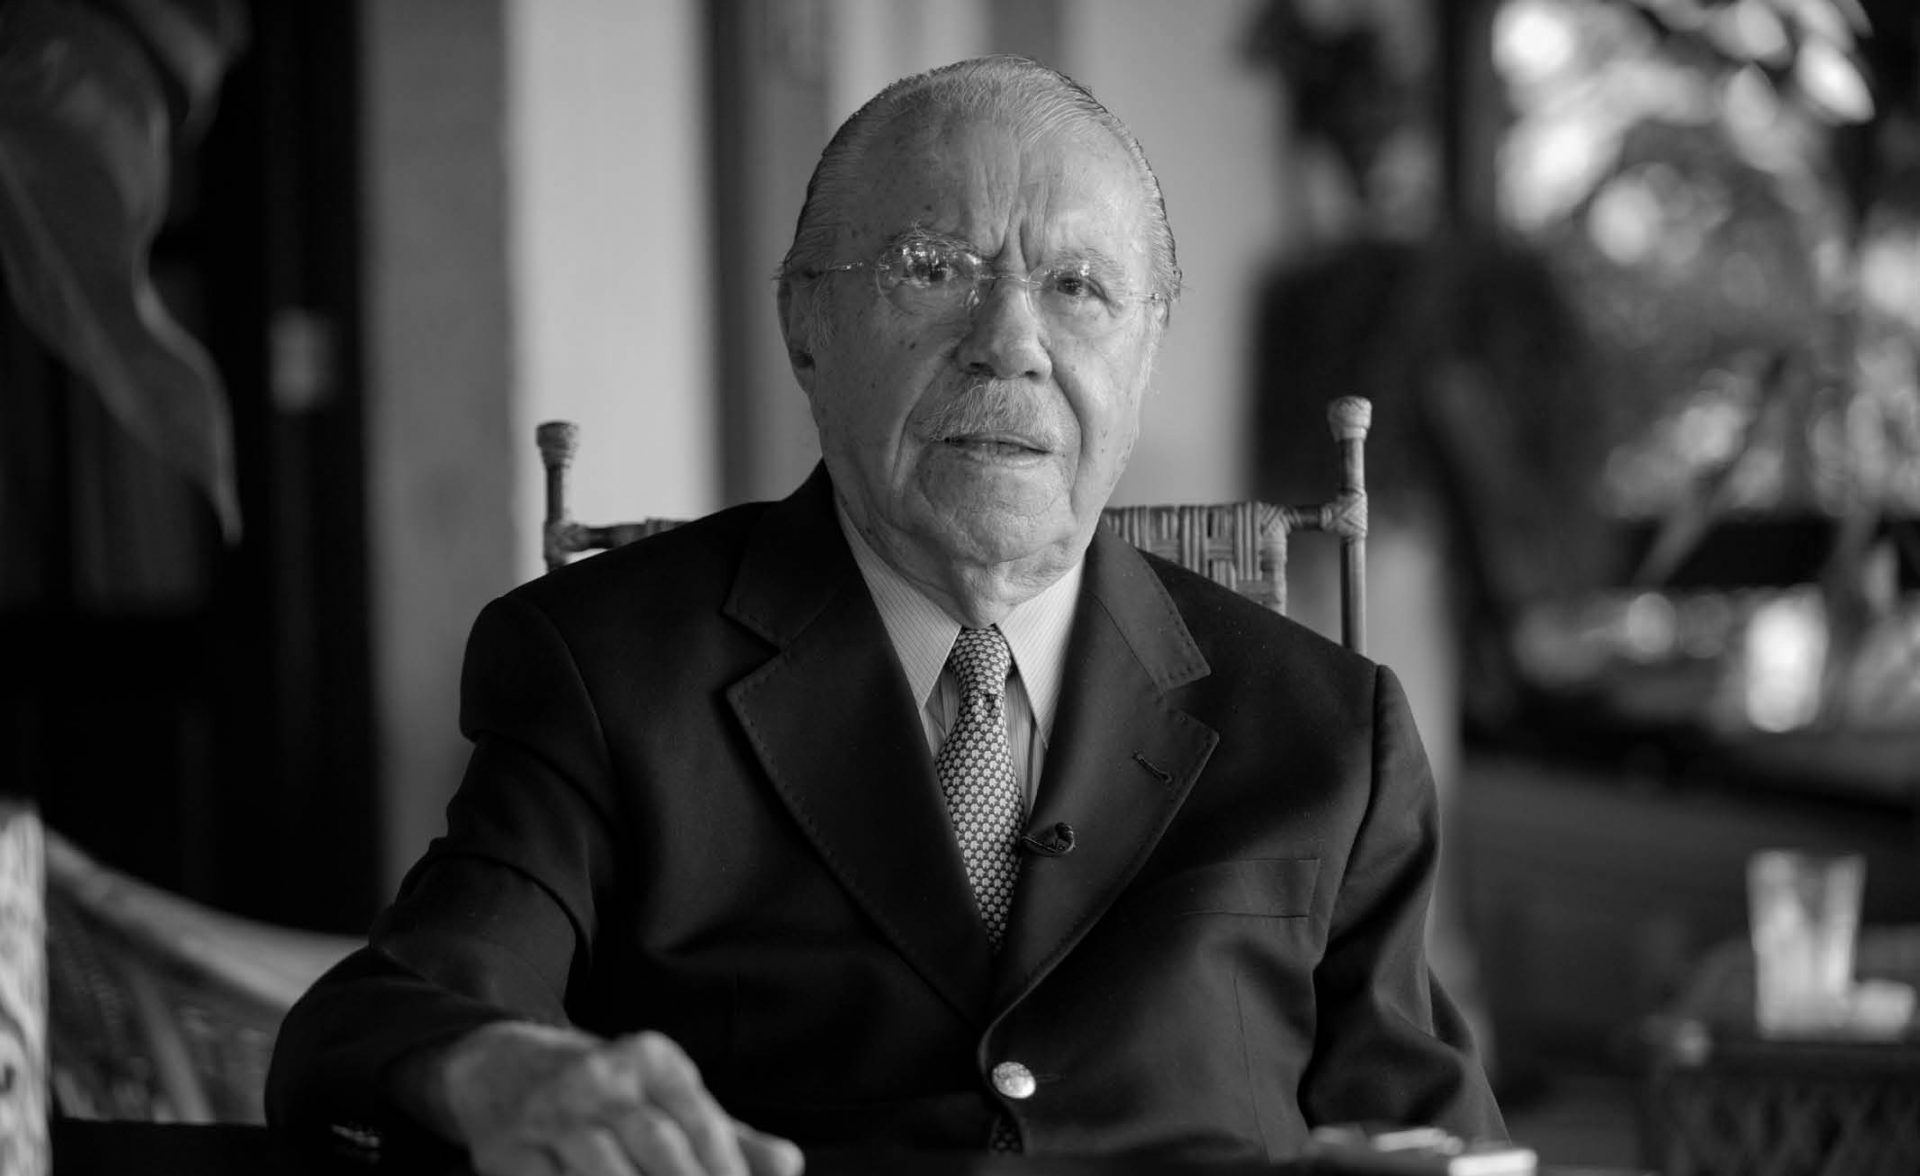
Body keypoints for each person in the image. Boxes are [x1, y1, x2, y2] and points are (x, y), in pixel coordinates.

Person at [266, 54, 1502, 1175]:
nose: (1010, 342)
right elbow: (389, 1012)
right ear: (805, 325)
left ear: (1146, 352)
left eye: (1078, 287)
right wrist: (497, 1072)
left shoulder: (1331, 731)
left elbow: (1437, 1134)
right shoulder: (607, 671)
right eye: (932, 269)